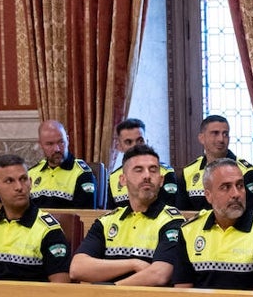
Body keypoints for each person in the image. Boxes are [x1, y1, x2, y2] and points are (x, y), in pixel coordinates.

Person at [70, 144, 184, 286]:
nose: (147, 176)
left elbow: (159, 274)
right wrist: (133, 264)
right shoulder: (106, 221)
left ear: (161, 180)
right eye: (138, 170)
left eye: (153, 170)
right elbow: (77, 268)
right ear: (122, 180)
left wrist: (114, 289)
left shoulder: (173, 221)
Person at [172, 159, 253, 291]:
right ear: (208, 195)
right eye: (225, 187)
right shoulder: (189, 230)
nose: (236, 194)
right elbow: (182, 292)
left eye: (240, 185)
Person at [0, 154, 71, 282]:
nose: (19, 187)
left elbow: (60, 288)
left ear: (30, 182)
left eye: (23, 179)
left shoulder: (49, 231)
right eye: (9, 181)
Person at [177, 115, 253, 212]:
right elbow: (182, 213)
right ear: (201, 138)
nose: (221, 139)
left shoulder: (245, 171)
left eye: (225, 134)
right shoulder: (189, 172)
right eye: (215, 133)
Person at [107, 118, 179, 209]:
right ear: (119, 147)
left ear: (147, 141)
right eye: (128, 142)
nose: (135, 146)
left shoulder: (165, 172)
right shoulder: (114, 177)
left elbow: (171, 211)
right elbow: (111, 214)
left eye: (140, 140)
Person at [27, 120, 97, 209]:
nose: (57, 149)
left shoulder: (82, 174)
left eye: (61, 142)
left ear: (67, 140)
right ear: (41, 145)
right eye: (50, 144)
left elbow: (86, 216)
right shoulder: (31, 173)